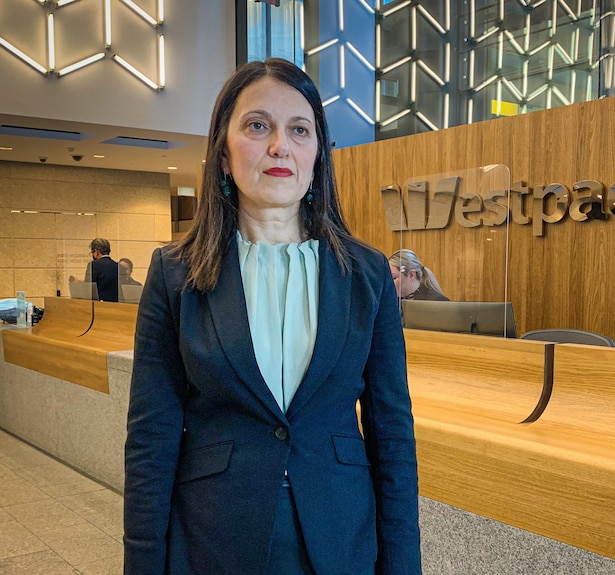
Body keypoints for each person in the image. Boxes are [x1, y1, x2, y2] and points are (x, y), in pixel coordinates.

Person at [123, 59, 420, 575]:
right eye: (258, 126)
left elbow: (392, 434)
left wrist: (403, 564)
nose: (280, 146)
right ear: (222, 151)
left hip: (339, 534)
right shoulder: (175, 274)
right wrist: (143, 562)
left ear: (317, 156)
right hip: (214, 536)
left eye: (298, 130)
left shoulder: (367, 274)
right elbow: (152, 438)